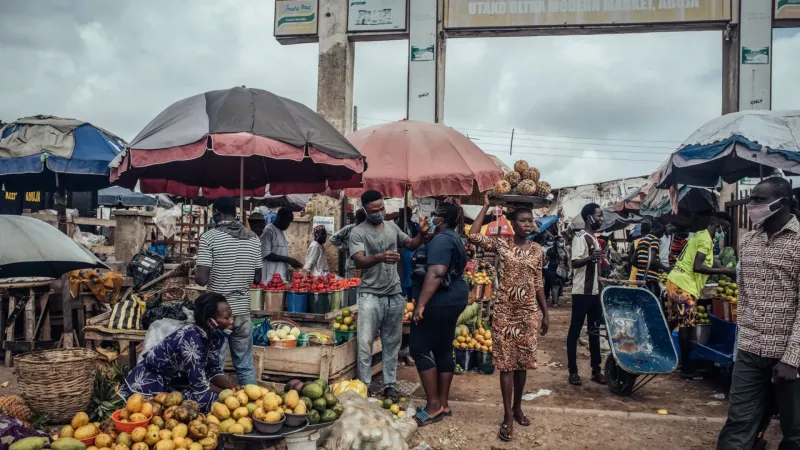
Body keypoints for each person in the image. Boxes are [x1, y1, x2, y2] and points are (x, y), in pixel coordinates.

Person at [717, 177, 800, 449]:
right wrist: (742, 342)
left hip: (788, 354)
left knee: (794, 432)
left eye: (759, 199)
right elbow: (745, 293)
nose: (752, 205)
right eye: (751, 198)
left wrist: (792, 358)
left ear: (784, 203)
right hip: (750, 350)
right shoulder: (749, 241)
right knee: (739, 422)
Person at [469, 196, 549, 442]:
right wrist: (486, 206)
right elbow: (473, 236)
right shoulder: (501, 244)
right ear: (512, 223)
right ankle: (506, 415)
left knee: (522, 364)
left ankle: (517, 409)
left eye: (530, 220)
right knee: (506, 364)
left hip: (527, 313)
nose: (528, 224)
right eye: (523, 220)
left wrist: (545, 312)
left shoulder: (537, 250)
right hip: (504, 312)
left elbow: (538, 283)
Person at [349, 190, 429, 399]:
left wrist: (421, 233)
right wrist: (380, 257)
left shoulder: (392, 227)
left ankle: (389, 384)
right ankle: (364, 385)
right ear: (365, 210)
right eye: (374, 210)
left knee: (392, 343)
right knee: (365, 343)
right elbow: (358, 260)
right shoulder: (358, 232)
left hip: (394, 294)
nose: (379, 213)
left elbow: (411, 243)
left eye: (381, 208)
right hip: (370, 295)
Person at [119, 293, 238, 412]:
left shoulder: (214, 336)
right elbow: (199, 385)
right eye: (227, 318)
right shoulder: (192, 336)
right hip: (150, 386)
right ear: (210, 322)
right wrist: (227, 395)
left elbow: (213, 369)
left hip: (173, 383)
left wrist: (232, 387)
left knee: (220, 398)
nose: (232, 321)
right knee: (214, 400)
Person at [409, 202, 468, 427]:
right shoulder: (452, 237)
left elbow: (436, 272)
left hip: (440, 300)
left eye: (434, 215)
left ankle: (432, 406)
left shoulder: (443, 240)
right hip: (453, 298)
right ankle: (442, 403)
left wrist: (421, 304)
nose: (431, 217)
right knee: (443, 347)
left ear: (441, 219)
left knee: (419, 347)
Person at [195, 197, 262, 385]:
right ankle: (253, 404)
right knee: (245, 365)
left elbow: (201, 279)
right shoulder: (253, 238)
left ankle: (216, 407)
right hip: (242, 312)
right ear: (235, 213)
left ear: (215, 213)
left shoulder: (209, 237)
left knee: (215, 367)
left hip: (219, 316)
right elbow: (258, 278)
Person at [666, 210, 735, 378]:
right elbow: (698, 266)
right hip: (684, 286)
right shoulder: (705, 240)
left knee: (675, 322)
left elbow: (710, 261)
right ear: (716, 224)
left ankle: (666, 356)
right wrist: (725, 270)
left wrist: (727, 271)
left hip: (675, 281)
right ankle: (685, 368)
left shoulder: (701, 235)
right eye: (723, 228)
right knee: (686, 326)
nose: (723, 232)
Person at [567, 203, 606, 386]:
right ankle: (573, 371)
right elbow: (574, 263)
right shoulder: (580, 238)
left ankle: (596, 370)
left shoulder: (595, 238)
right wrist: (591, 258)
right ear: (589, 217)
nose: (601, 219)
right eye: (599, 216)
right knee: (575, 331)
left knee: (595, 331)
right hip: (581, 292)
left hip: (595, 292)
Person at [262, 207, 302, 282]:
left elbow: (281, 253)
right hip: (270, 278)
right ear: (280, 218)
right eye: (288, 222)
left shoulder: (281, 232)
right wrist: (288, 259)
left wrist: (290, 261)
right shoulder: (268, 231)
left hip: (281, 278)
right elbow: (266, 254)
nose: (288, 225)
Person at [634, 221, 669, 296]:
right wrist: (666, 269)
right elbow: (652, 260)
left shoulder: (642, 240)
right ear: (656, 229)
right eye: (662, 232)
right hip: (649, 278)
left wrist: (642, 267)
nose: (662, 235)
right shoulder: (655, 240)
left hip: (639, 277)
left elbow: (632, 260)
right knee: (652, 300)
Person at [330, 208, 367, 278]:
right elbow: (333, 238)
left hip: (365, 266)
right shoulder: (349, 228)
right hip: (352, 265)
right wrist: (345, 247)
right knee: (351, 286)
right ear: (357, 218)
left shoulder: (368, 230)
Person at [545, 236, 570, 307]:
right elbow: (546, 260)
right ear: (557, 241)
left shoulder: (564, 250)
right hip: (553, 270)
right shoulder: (551, 250)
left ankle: (556, 301)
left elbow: (567, 261)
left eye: (563, 241)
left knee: (560, 286)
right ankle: (554, 302)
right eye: (561, 241)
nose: (562, 243)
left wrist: (569, 269)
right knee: (555, 286)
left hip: (563, 270)